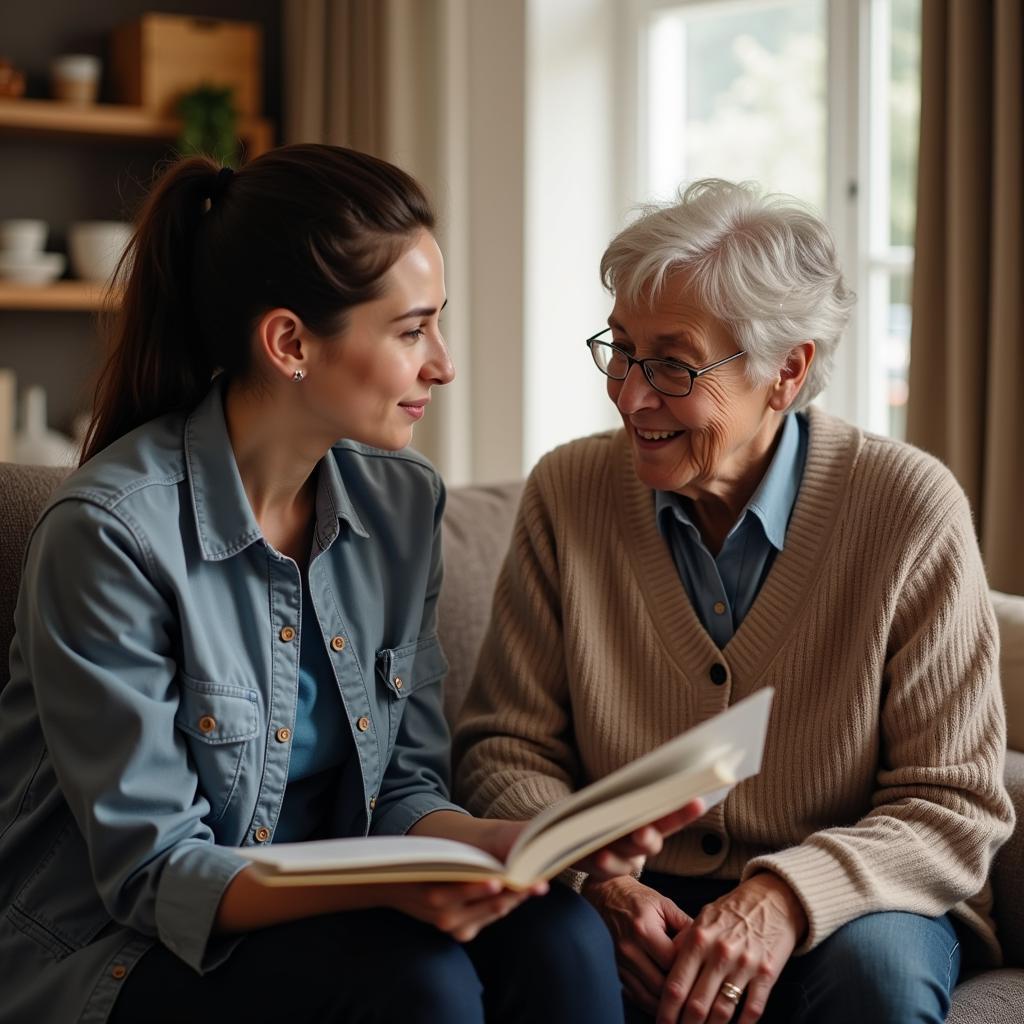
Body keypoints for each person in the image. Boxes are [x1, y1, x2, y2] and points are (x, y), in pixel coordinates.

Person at [0, 145, 703, 1024]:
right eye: (411, 331)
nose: (443, 364)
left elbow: (404, 788)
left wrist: (505, 845)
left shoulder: (400, 507)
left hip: (338, 911)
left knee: (561, 929)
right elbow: (156, 873)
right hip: (119, 951)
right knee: (419, 983)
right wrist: (394, 886)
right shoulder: (110, 536)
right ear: (291, 342)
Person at [453, 178, 1016, 1024]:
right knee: (546, 952)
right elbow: (504, 749)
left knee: (878, 984)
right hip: (629, 889)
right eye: (620, 348)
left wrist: (786, 897)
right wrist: (595, 880)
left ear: (786, 371)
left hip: (850, 898)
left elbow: (955, 801)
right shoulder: (568, 492)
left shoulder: (907, 508)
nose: (631, 394)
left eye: (673, 364)